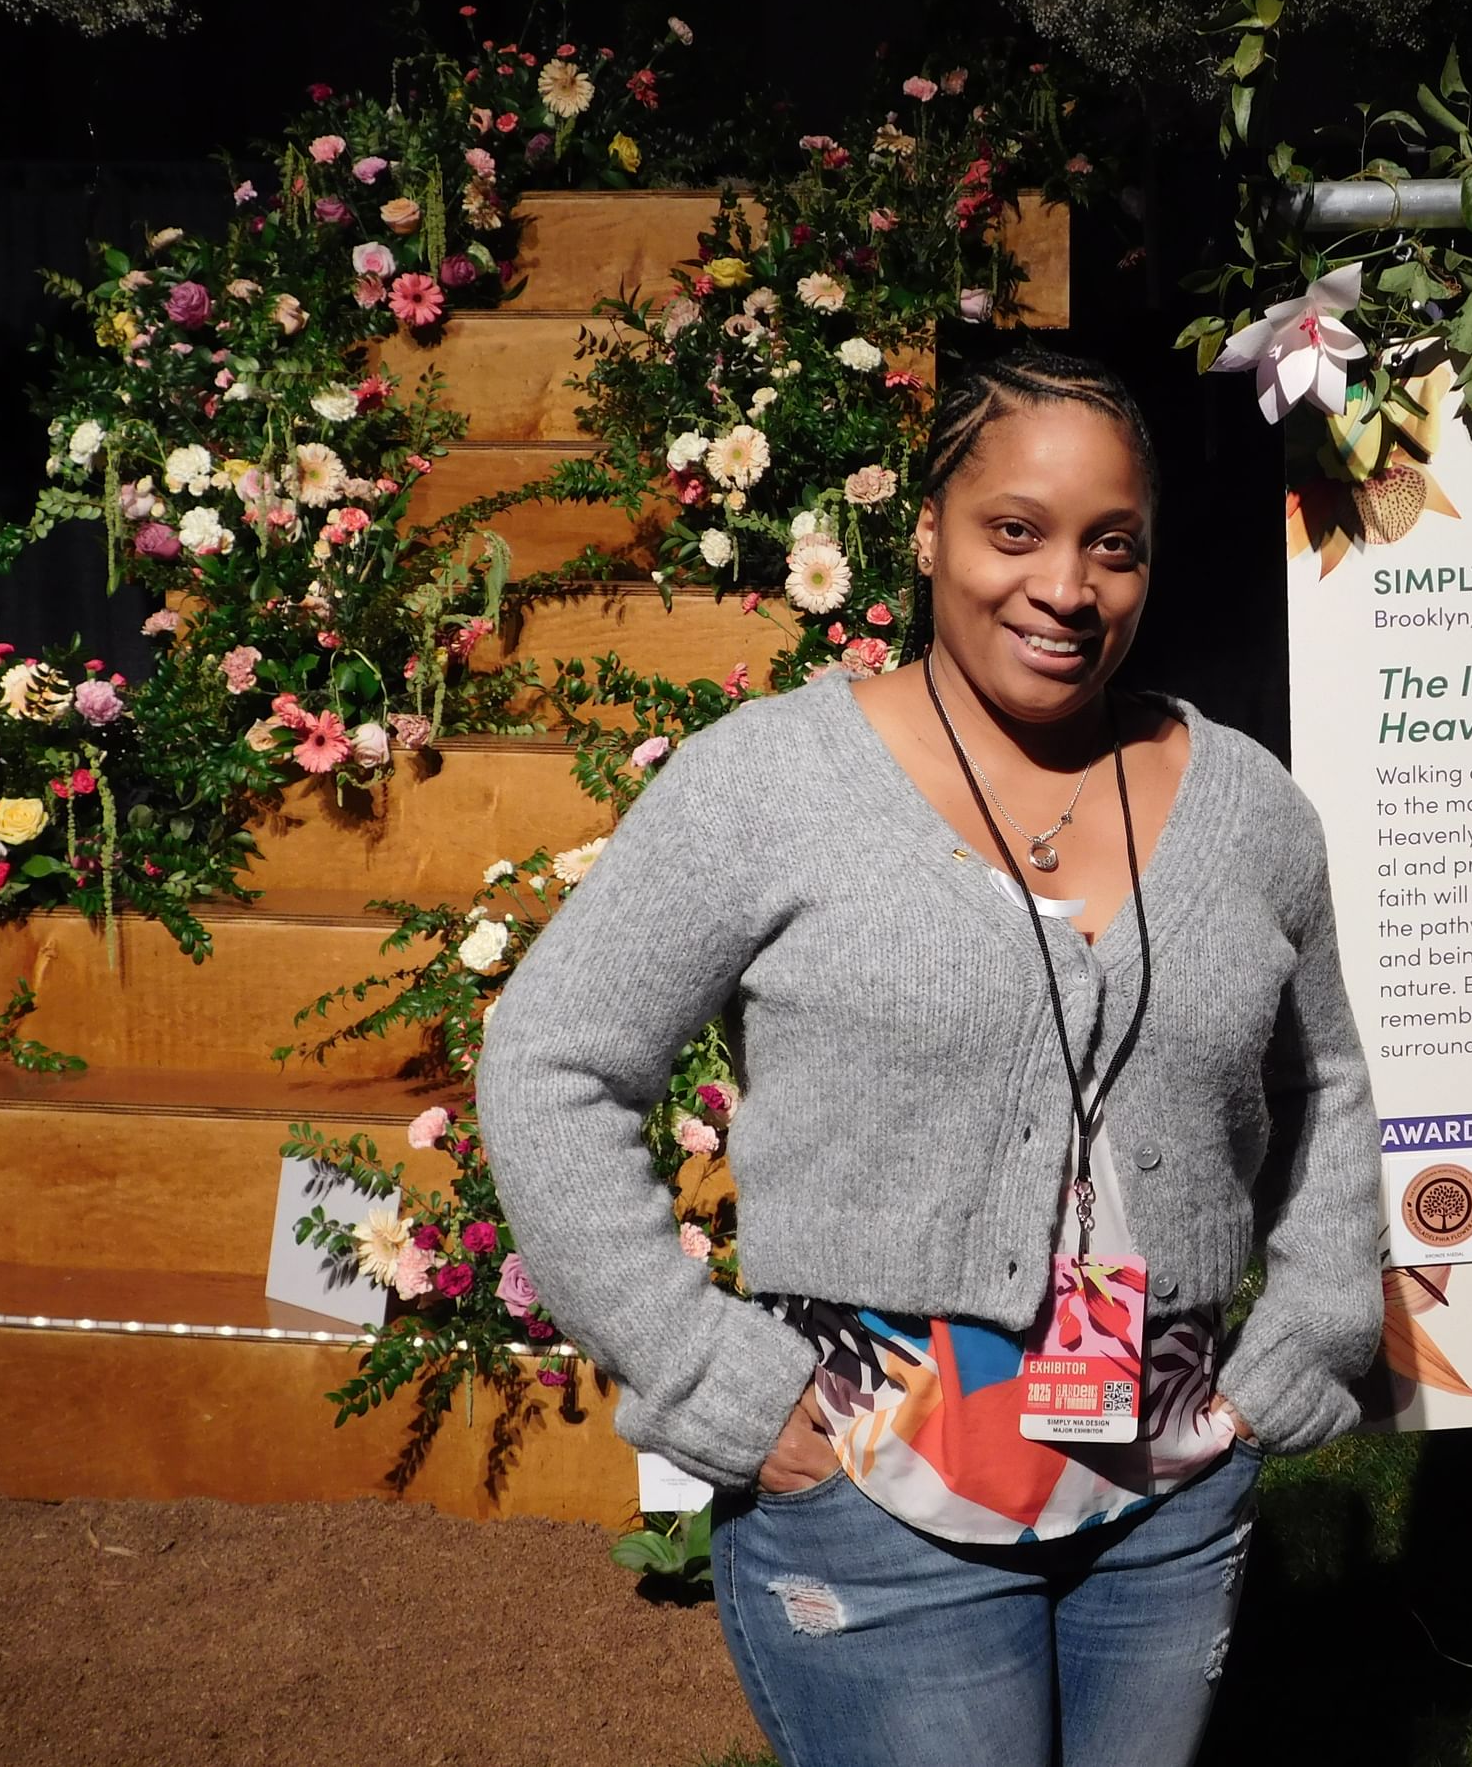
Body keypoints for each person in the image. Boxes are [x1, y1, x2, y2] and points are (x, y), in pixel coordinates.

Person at [475, 347, 1385, 1766]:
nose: (1065, 589)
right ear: (927, 532)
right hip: (866, 1487)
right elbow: (551, 1059)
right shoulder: (770, 784)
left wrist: (1313, 1328)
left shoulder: (1253, 812)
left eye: (1112, 547)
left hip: (1171, 1492)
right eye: (1013, 531)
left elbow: (1319, 1084)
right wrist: (711, 1373)